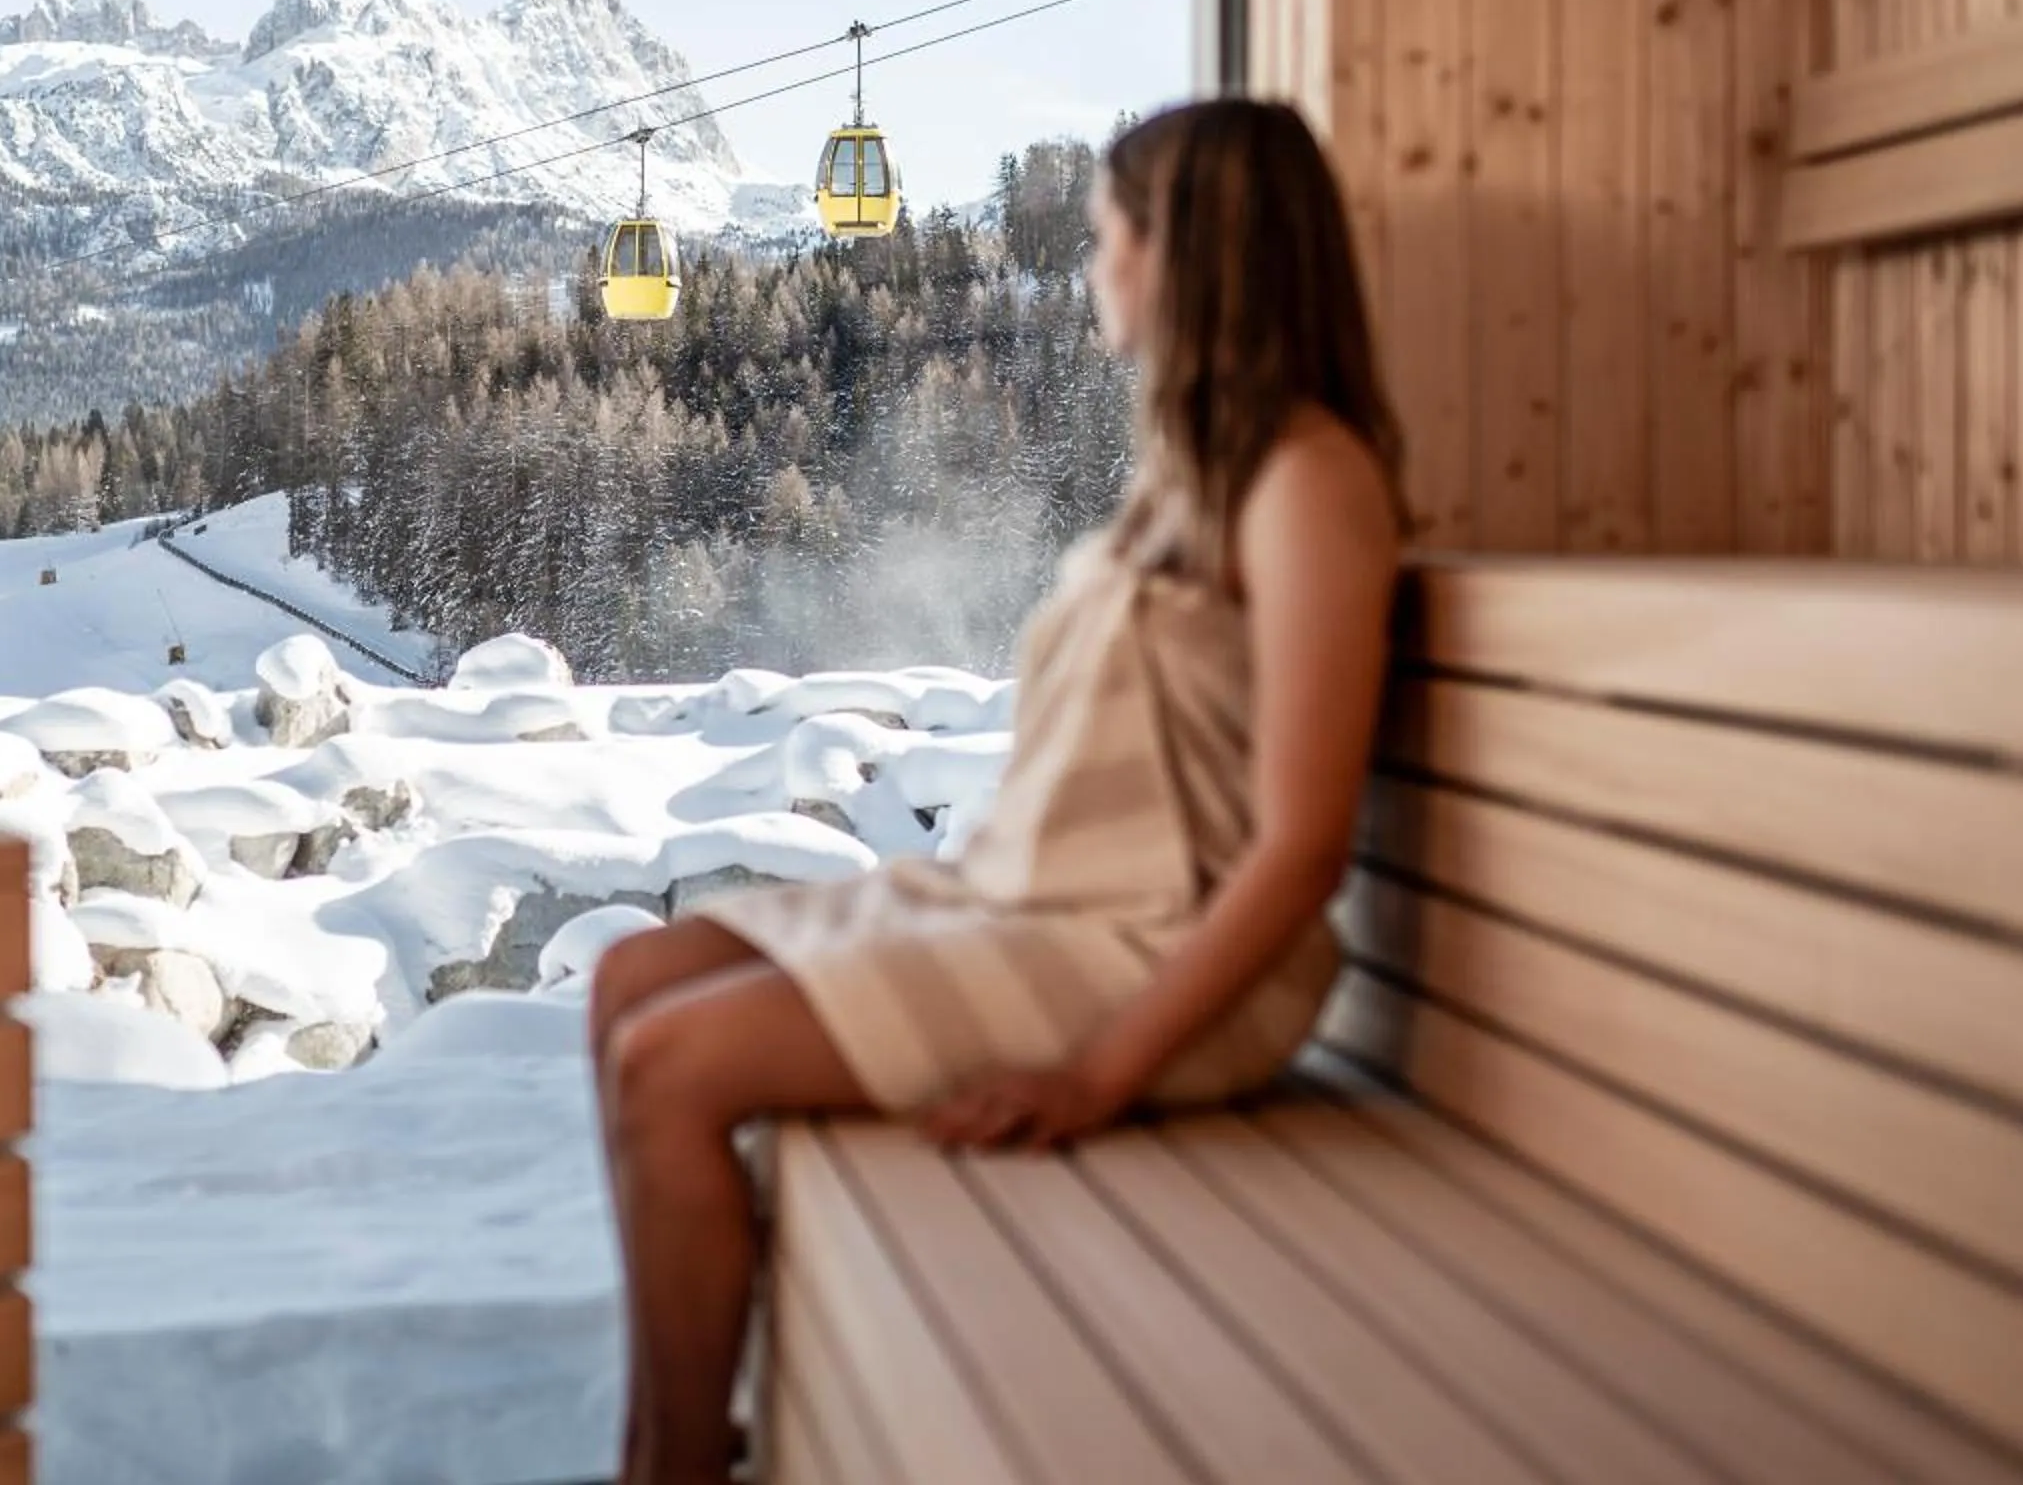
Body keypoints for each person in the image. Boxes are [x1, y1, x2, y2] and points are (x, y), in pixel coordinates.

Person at [588, 95, 1409, 1485]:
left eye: (1109, 239)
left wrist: (1102, 1072)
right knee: (628, 988)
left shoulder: (1307, 485)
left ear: (1188, 257)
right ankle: (672, 1440)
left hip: (1142, 948)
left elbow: (1303, 846)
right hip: (1032, 901)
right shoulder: (1192, 481)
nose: (1094, 268)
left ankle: (673, 1469)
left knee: (670, 1070)